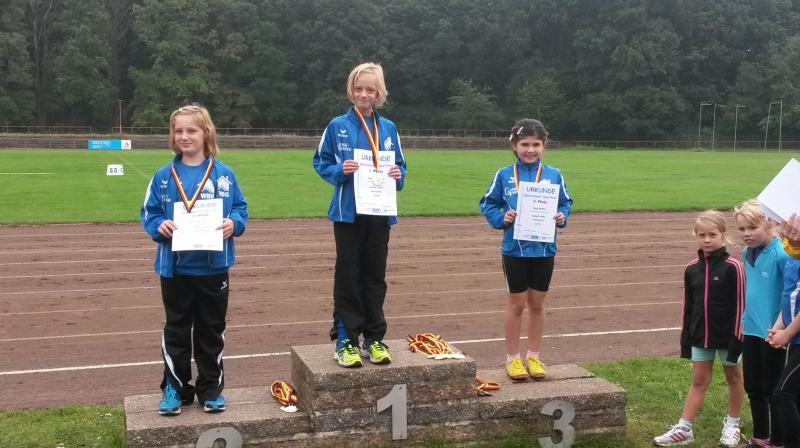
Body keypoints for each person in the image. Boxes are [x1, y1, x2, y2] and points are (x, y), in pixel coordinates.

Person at [141, 104, 248, 416]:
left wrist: (234, 223)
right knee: (176, 330)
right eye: (179, 131)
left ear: (206, 133)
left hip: (214, 268)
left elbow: (240, 208)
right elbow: (150, 212)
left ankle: (211, 388)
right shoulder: (163, 176)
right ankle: (175, 388)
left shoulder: (224, 174)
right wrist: (158, 226)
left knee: (211, 330)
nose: (184, 136)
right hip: (175, 269)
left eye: (191, 130)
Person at [312, 62, 407, 368]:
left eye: (370, 90)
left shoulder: (389, 128)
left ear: (379, 93)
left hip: (380, 213)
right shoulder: (337, 125)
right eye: (359, 89)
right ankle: (345, 339)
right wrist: (339, 170)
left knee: (375, 275)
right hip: (348, 213)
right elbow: (320, 161)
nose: (364, 94)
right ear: (351, 91)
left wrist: (397, 174)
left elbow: (401, 166)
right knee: (348, 275)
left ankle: (374, 337)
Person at [478, 118, 572, 381]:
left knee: (537, 304)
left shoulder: (553, 174)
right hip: (514, 250)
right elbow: (487, 203)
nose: (530, 150)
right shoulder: (504, 175)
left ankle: (534, 356)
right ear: (514, 145)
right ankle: (512, 358)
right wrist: (502, 218)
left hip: (544, 250)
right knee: (516, 304)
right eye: (525, 145)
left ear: (544, 145)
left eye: (536, 145)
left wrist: (562, 216)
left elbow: (565, 202)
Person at [652, 210, 745, 447]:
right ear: (695, 236)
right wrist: (686, 338)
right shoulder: (692, 268)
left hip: (727, 337)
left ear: (723, 235)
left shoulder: (733, 267)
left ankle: (733, 424)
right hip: (700, 336)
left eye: (712, 235)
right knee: (699, 380)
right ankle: (684, 428)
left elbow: (741, 304)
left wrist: (737, 337)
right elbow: (689, 306)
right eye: (701, 235)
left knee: (734, 378)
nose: (707, 239)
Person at [734, 199, 789, 448]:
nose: (746, 234)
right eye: (742, 228)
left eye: (752, 228)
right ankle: (760, 436)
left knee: (773, 387)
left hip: (773, 332)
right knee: (753, 386)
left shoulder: (781, 254)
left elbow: (789, 294)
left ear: (770, 225)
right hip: (751, 329)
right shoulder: (747, 252)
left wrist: (781, 327)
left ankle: (778, 439)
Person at [767, 252, 800, 448]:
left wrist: (787, 333)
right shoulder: (792, 258)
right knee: (794, 395)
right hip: (796, 340)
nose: (788, 237)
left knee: (783, 395)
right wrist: (779, 327)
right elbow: (788, 298)